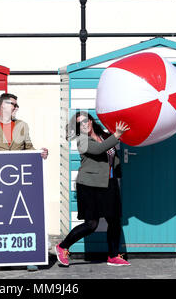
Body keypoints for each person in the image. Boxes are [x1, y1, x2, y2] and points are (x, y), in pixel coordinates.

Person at [0, 92, 48, 271]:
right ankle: (5, 258)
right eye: (13, 104)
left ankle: (30, 257)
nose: (16, 107)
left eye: (16, 105)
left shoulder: (22, 126)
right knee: (3, 219)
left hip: (20, 182)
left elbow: (29, 149)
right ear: (2, 107)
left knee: (23, 220)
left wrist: (40, 154)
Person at [55, 111, 131, 267]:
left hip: (108, 183)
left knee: (114, 220)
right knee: (92, 224)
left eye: (86, 120)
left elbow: (111, 153)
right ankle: (63, 246)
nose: (84, 124)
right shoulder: (82, 141)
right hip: (89, 185)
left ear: (91, 120)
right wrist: (116, 135)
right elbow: (99, 149)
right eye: (80, 123)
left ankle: (112, 256)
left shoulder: (104, 135)